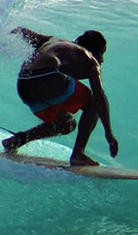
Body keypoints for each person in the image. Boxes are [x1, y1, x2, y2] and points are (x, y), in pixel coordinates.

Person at [2, 27, 118, 166]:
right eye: (101, 53)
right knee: (93, 103)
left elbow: (23, 31)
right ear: (92, 49)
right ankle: (78, 154)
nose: (102, 59)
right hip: (46, 78)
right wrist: (109, 133)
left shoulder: (51, 41)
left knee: (66, 124)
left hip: (24, 85)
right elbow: (100, 96)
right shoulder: (89, 58)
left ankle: (16, 141)